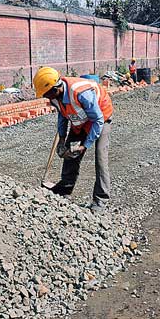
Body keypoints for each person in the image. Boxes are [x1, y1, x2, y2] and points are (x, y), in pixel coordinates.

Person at [33, 67, 113, 212]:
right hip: (79, 120)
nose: (46, 97)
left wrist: (85, 145)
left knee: (100, 158)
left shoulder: (81, 93)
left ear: (56, 88)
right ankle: (64, 190)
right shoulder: (55, 97)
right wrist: (62, 139)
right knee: (69, 154)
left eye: (47, 94)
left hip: (100, 117)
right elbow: (62, 116)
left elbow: (98, 120)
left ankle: (101, 200)